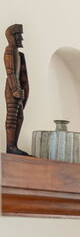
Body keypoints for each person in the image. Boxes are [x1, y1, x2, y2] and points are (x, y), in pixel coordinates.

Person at [4, 23, 29, 155]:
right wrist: (15, 88)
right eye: (19, 36)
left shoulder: (19, 54)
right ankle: (11, 146)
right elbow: (10, 72)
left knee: (20, 117)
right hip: (12, 89)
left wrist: (23, 90)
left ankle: (14, 146)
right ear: (12, 36)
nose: (21, 39)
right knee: (12, 118)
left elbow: (22, 75)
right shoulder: (9, 50)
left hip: (18, 89)